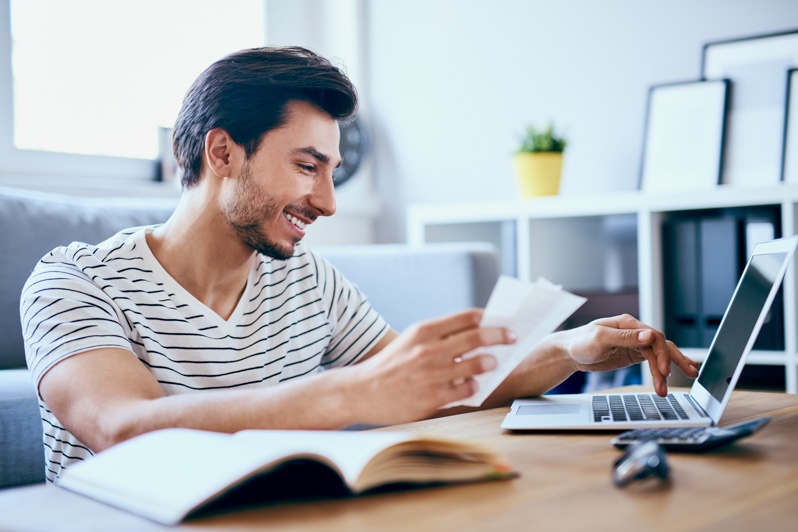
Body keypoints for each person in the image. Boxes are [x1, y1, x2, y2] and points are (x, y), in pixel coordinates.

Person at [21, 46, 699, 483]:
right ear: (221, 153)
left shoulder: (307, 280)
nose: (328, 201)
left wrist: (570, 350)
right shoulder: (75, 279)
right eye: (307, 166)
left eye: (333, 171)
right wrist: (351, 393)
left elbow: (433, 386)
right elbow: (118, 428)